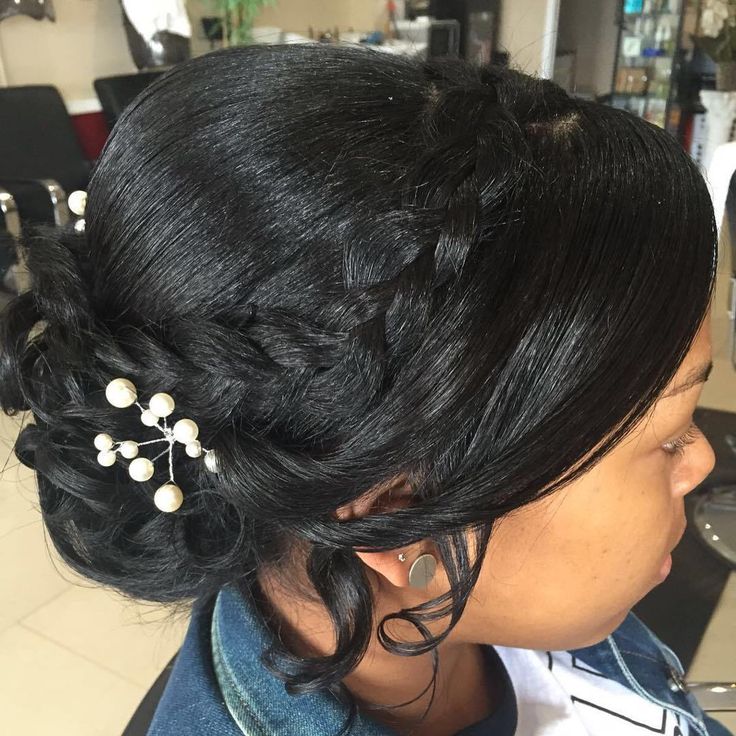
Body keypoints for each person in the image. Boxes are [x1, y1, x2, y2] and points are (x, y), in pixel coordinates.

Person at [0, 43, 731, 736]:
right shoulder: (547, 580)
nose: (699, 461)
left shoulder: (527, 587)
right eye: (668, 436)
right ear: (409, 524)